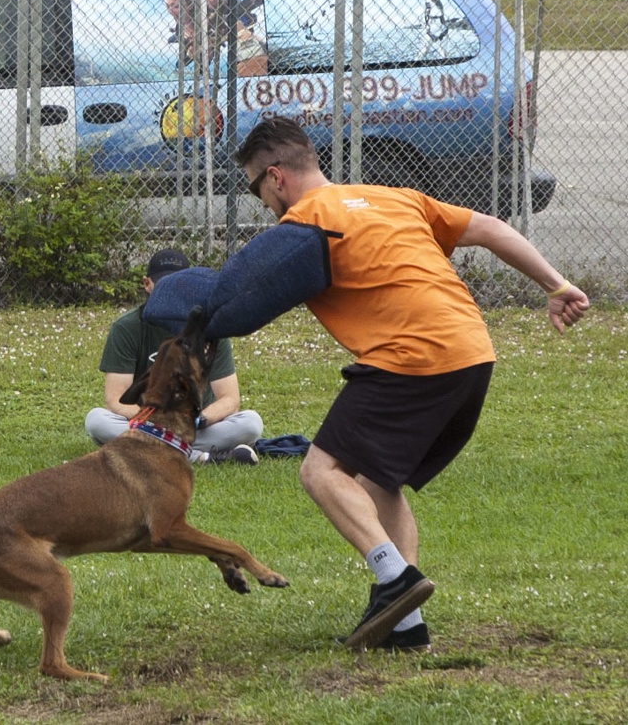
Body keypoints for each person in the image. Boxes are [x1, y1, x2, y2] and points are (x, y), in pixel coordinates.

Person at [233, 116, 590, 651]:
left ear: (276, 177)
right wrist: (556, 285)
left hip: (412, 356)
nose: (260, 200)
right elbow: (491, 228)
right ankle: (405, 624)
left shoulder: (303, 223)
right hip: (472, 352)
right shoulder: (394, 196)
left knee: (320, 470)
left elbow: (243, 292)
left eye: (255, 187)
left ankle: (393, 577)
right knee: (379, 483)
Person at [85, 249, 264, 465]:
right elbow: (115, 399)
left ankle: (153, 450)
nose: (170, 292)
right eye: (163, 285)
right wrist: (158, 423)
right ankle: (202, 457)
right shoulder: (127, 327)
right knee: (97, 421)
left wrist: (195, 420)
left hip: (196, 426)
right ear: (147, 284)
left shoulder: (210, 329)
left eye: (178, 286)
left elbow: (229, 399)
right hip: (146, 423)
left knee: (251, 424)